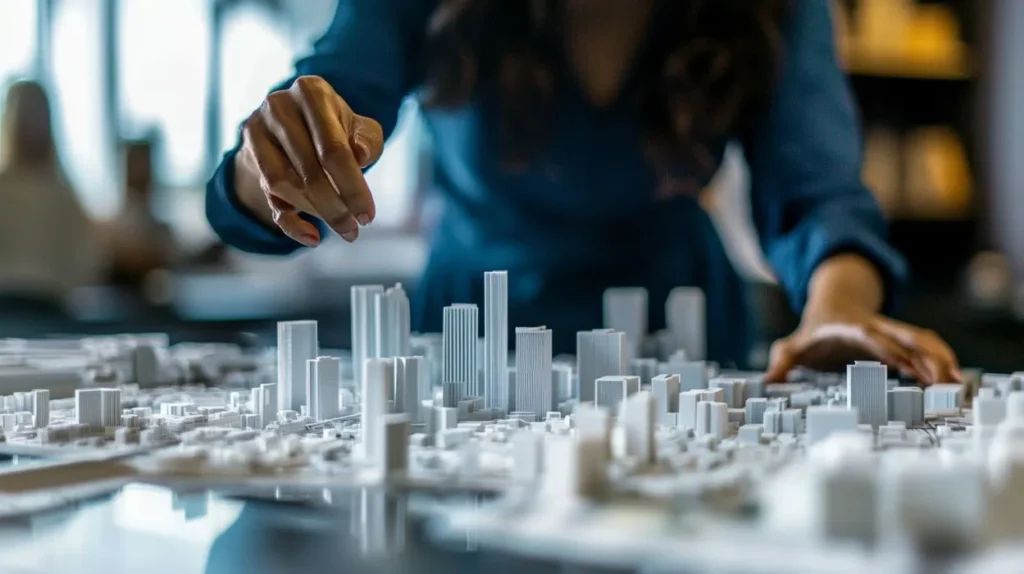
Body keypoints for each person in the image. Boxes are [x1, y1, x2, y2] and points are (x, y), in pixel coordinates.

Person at [206, 0, 960, 383]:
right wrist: (270, 162)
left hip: (684, 346)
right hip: (472, 345)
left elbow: (818, 194)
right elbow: (323, 101)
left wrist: (839, 314)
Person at [0, 80, 101, 318]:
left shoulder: (63, 195)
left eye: (37, 116)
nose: (31, 126)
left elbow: (87, 261)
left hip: (51, 309)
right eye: (24, 115)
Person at [104, 136, 179, 288]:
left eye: (147, 163)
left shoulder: (156, 221)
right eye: (137, 163)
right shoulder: (115, 223)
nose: (143, 170)